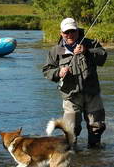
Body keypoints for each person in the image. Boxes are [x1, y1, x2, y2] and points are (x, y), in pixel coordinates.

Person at [43, 17, 108, 149]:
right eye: (66, 32)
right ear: (61, 33)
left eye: (72, 31)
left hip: (92, 92)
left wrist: (86, 51)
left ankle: (95, 153)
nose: (69, 35)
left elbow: (103, 56)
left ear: (78, 31)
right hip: (70, 95)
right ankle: (73, 158)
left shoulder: (90, 44)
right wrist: (58, 72)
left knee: (97, 126)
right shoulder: (55, 51)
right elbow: (47, 70)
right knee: (70, 130)